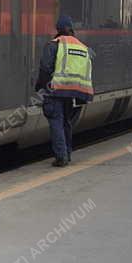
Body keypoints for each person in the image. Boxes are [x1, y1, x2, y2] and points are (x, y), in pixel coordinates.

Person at [35, 15, 94, 167]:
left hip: (56, 90)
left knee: (56, 122)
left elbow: (45, 69)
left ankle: (61, 157)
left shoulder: (53, 45)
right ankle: (67, 153)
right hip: (75, 92)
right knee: (66, 123)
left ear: (58, 29)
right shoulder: (82, 46)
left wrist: (40, 88)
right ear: (71, 29)